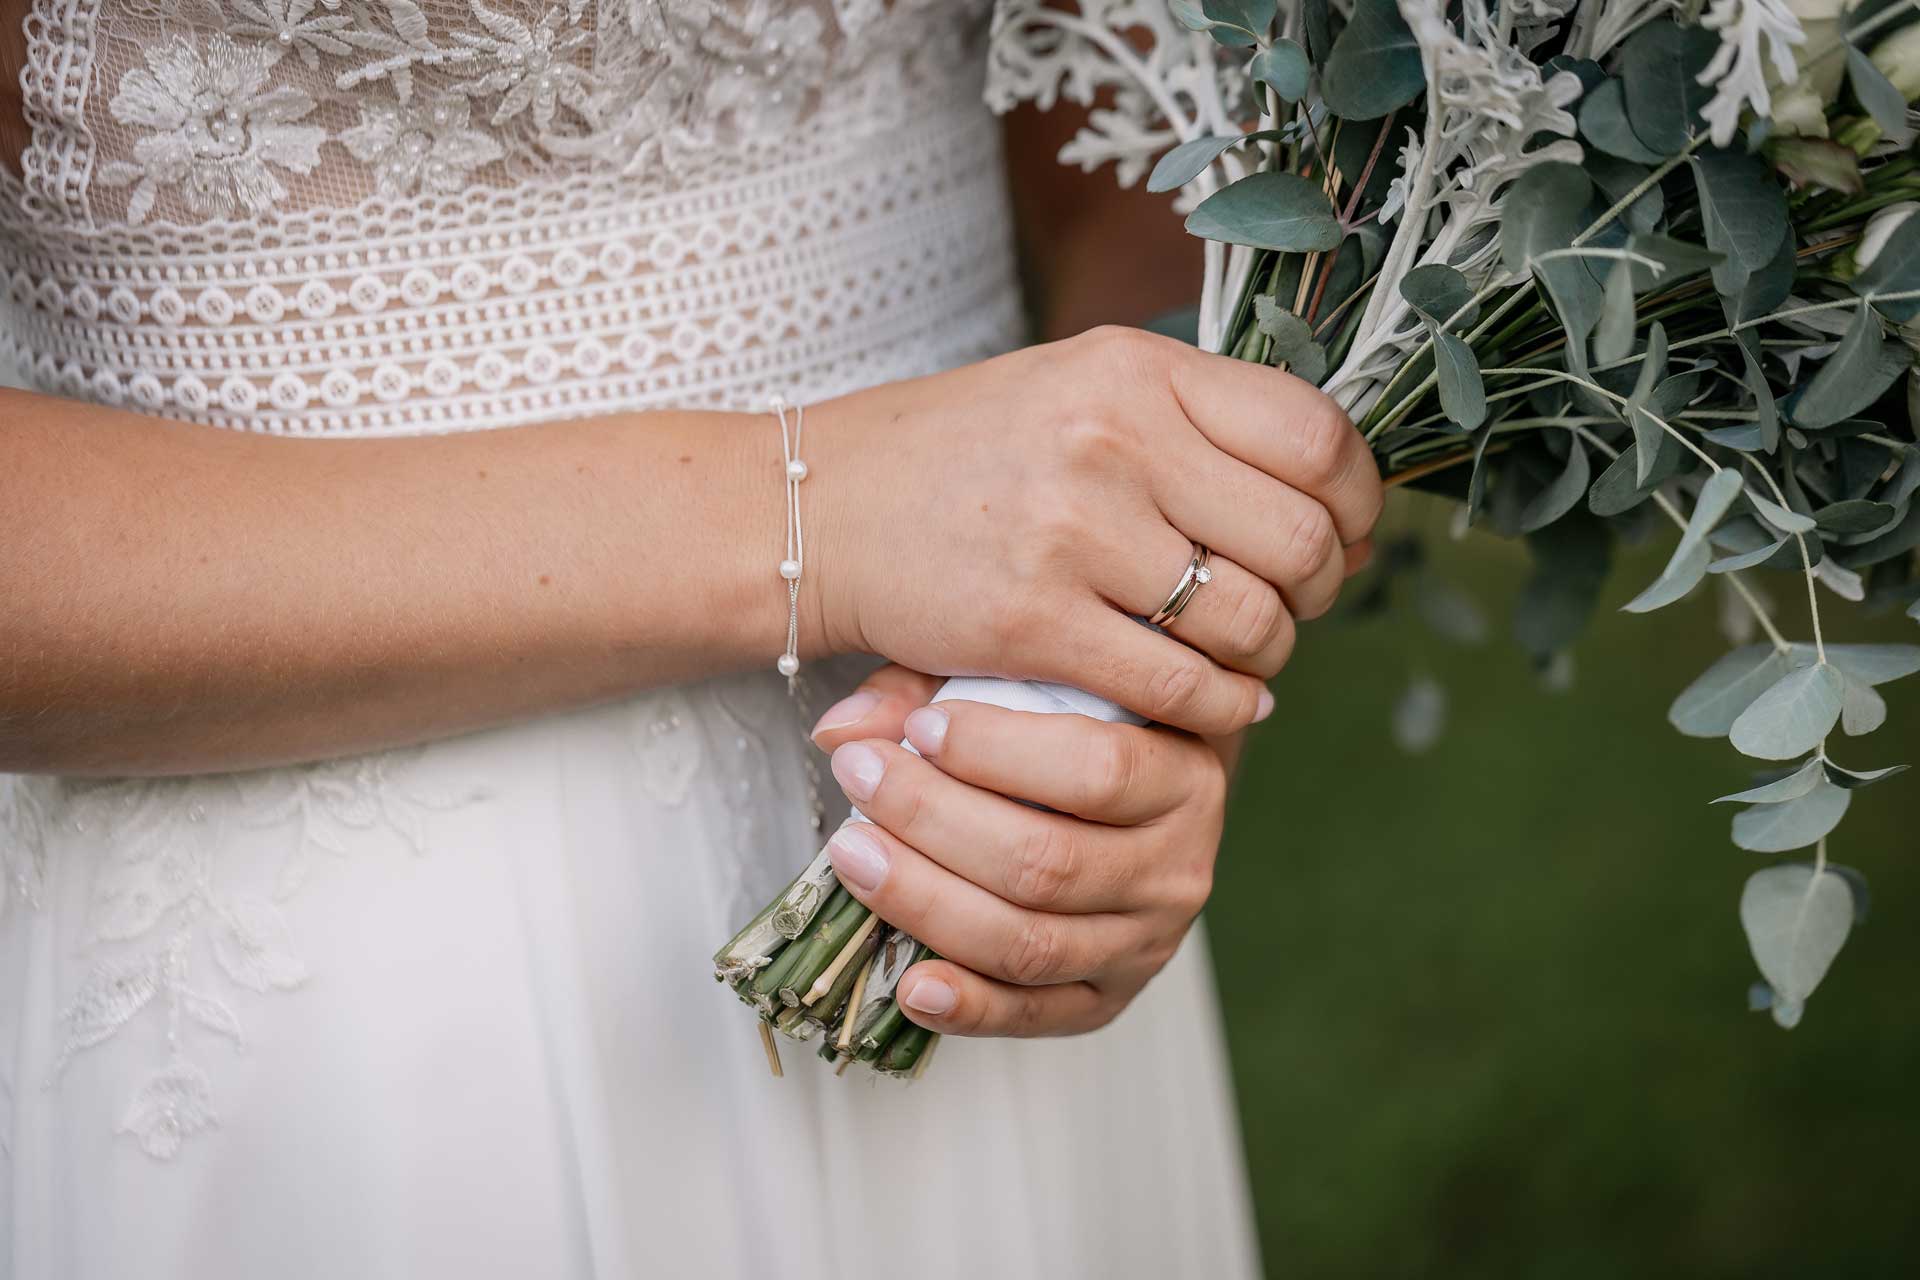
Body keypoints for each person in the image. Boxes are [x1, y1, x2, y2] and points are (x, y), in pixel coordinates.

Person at [0, 2, 1381, 1275]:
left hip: (967, 818)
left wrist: (1126, 679)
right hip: (364, 995)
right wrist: (818, 514)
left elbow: (1150, 155)